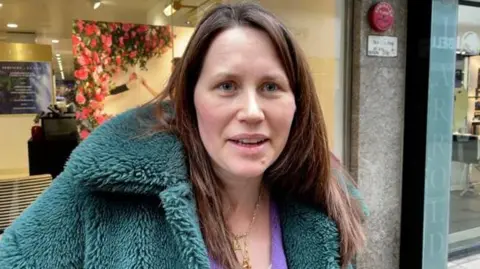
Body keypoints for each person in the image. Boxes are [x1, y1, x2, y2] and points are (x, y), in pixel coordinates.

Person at [0, 3, 366, 269]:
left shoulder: (325, 205)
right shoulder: (103, 192)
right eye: (227, 85)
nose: (252, 111)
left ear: (297, 103)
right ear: (190, 100)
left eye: (271, 86)